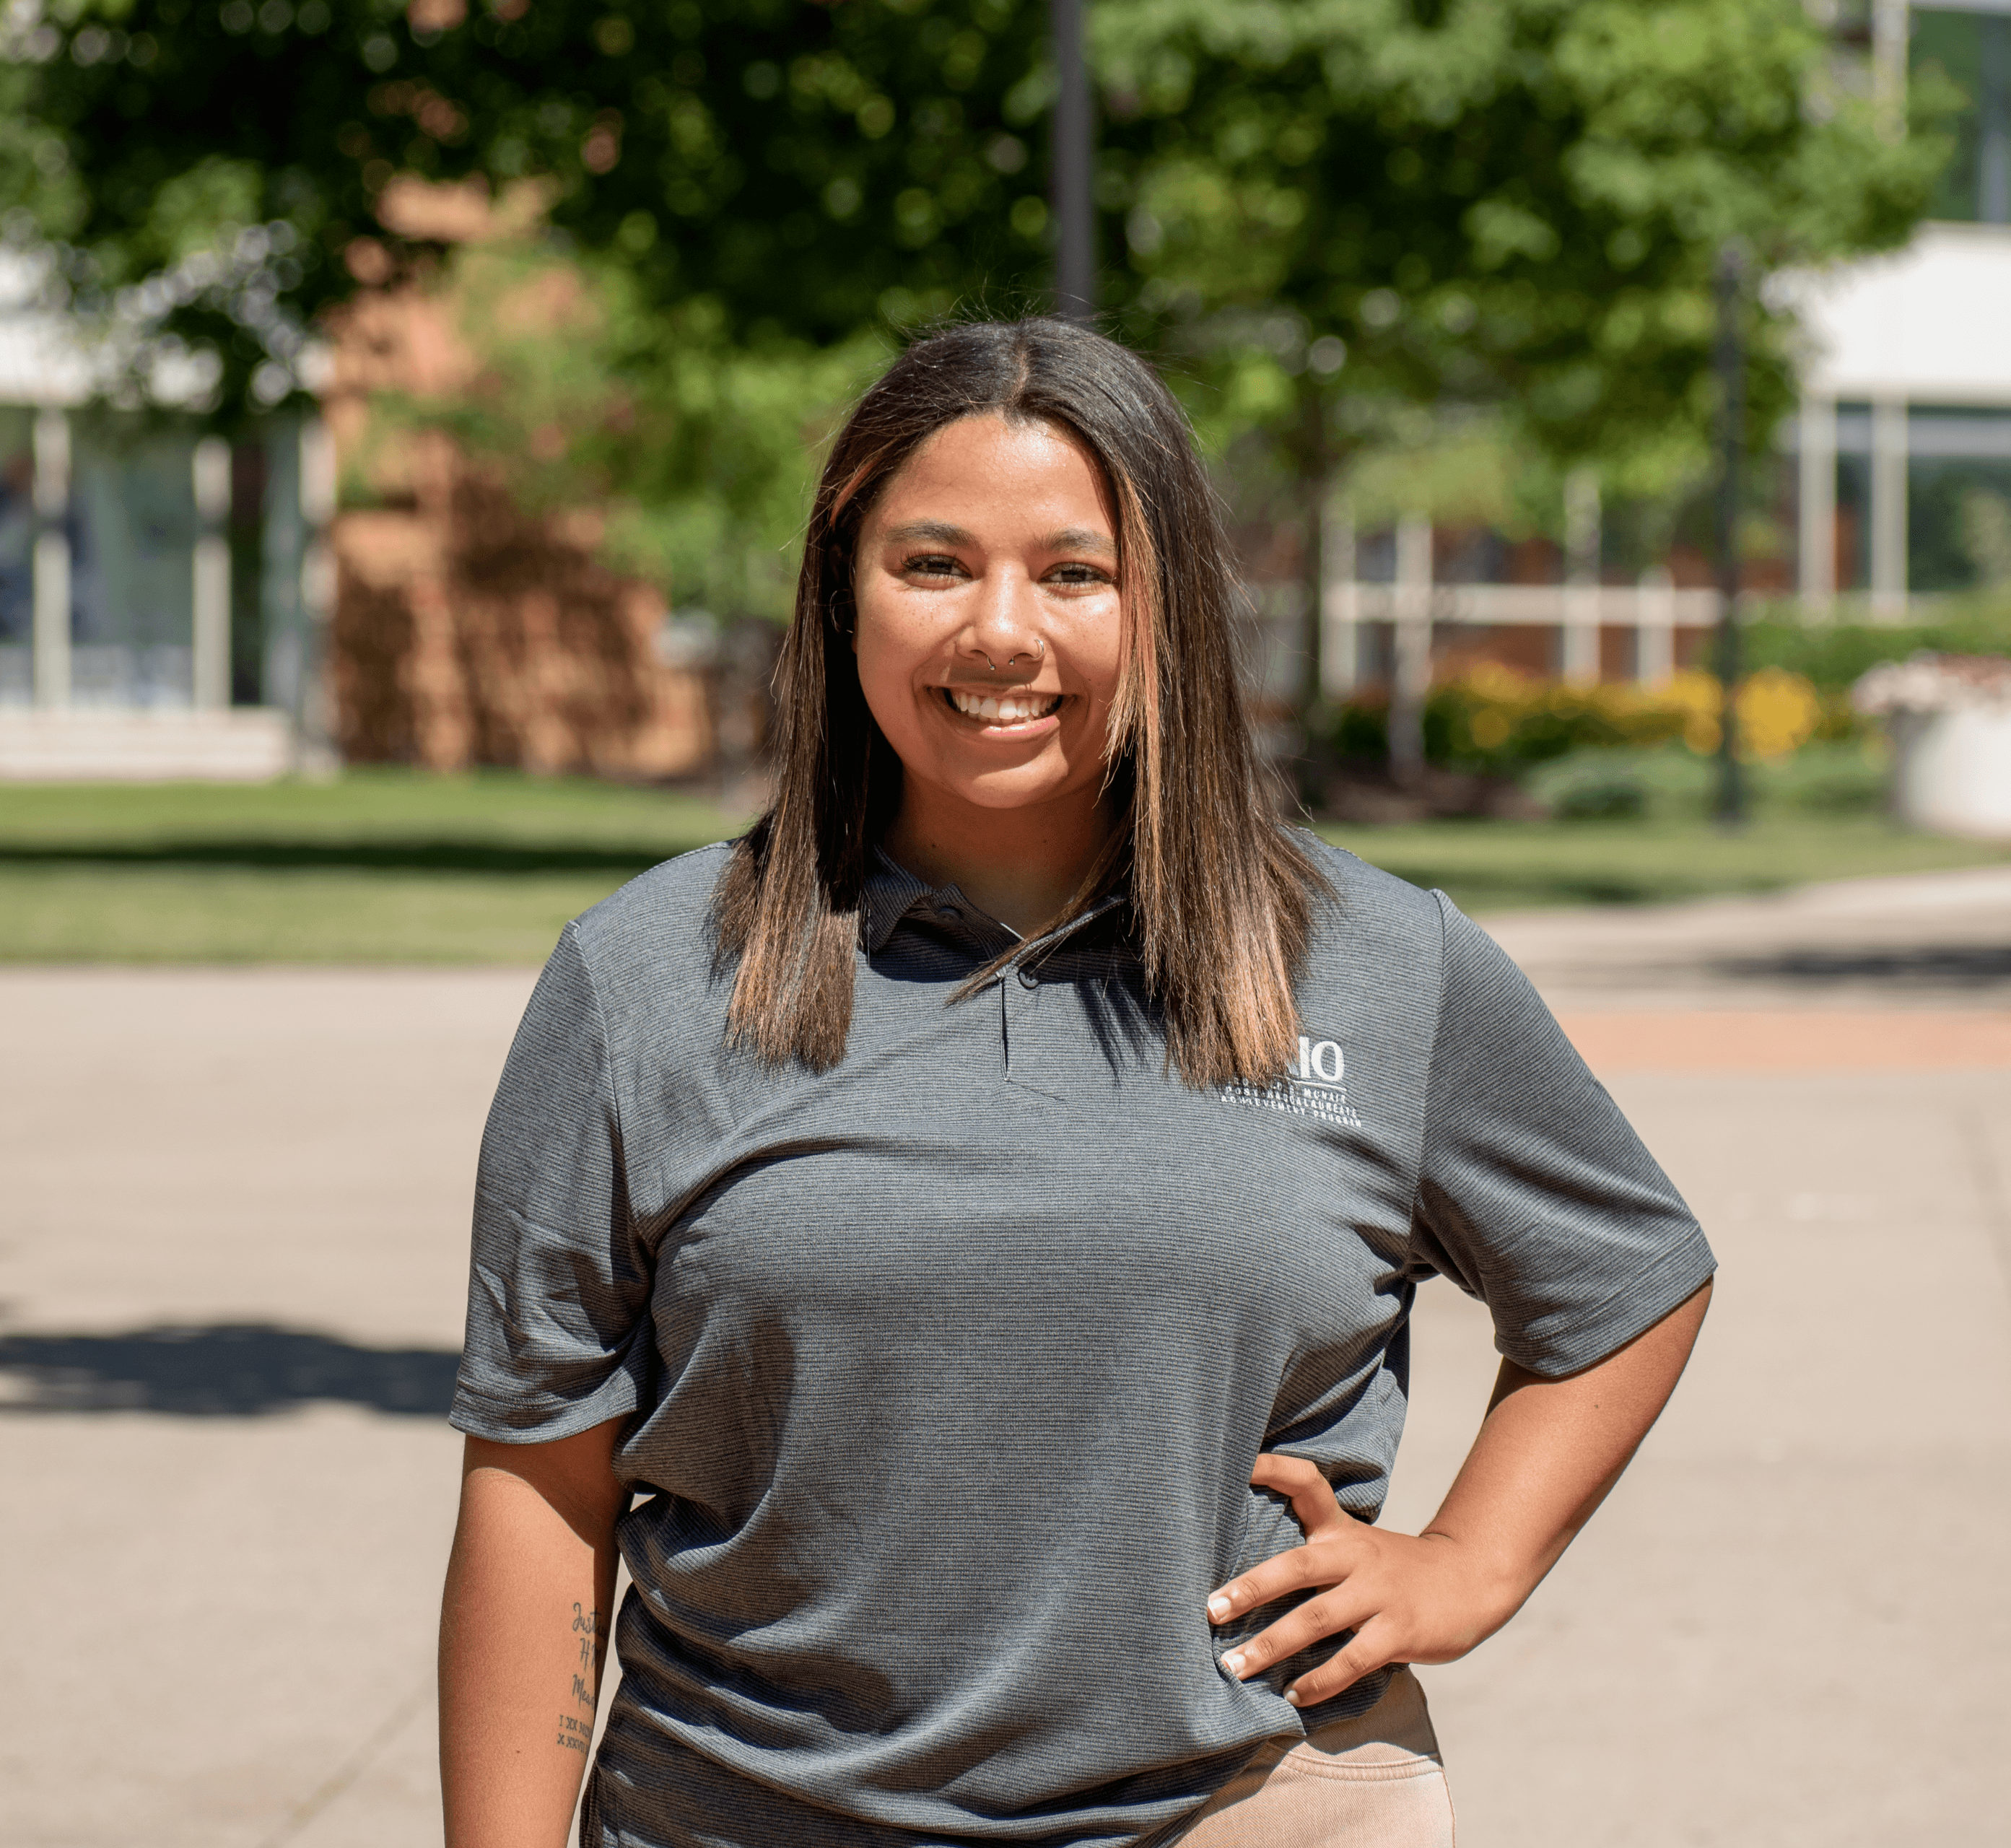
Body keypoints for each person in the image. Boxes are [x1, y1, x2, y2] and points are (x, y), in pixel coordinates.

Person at [438, 317, 1714, 1848]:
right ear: (841, 590)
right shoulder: (643, 978)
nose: (997, 631)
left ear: (1166, 605)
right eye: (930, 564)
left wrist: (1466, 1560)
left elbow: (1627, 1278)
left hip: (1247, 1801)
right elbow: (538, 1481)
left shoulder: (1378, 963)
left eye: (1073, 572)